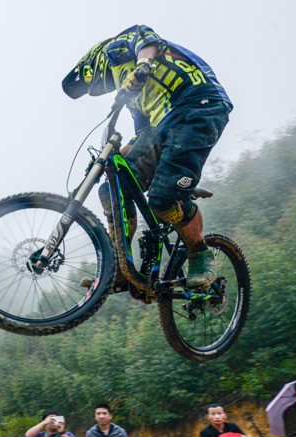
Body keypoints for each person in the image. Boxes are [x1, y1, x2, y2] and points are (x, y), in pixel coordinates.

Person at [62, 25, 232, 288]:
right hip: (165, 124)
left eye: (89, 80)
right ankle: (120, 267)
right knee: (114, 187)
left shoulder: (118, 47)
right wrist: (107, 160)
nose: (96, 86)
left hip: (198, 104)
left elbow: (148, 40)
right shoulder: (133, 97)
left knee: (163, 200)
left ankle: (200, 253)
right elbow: (144, 137)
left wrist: (143, 66)